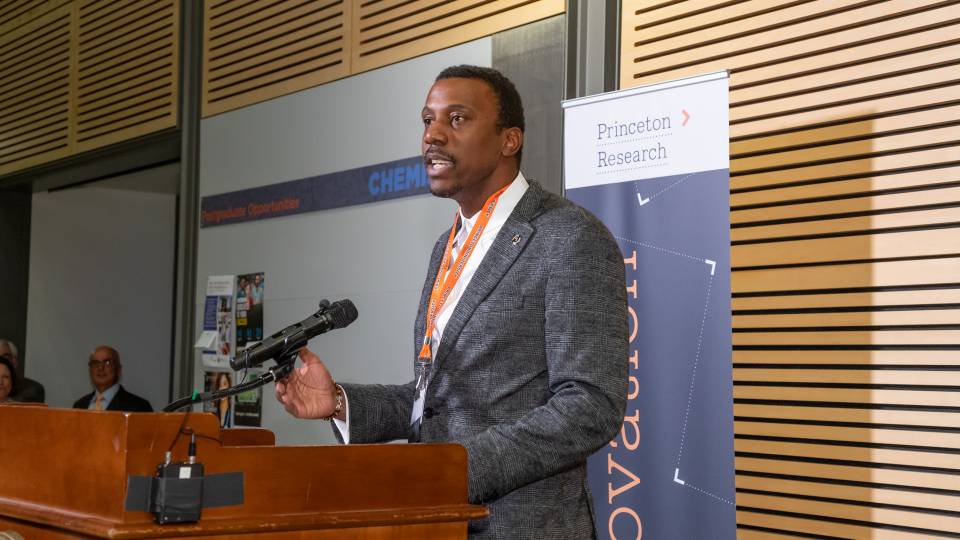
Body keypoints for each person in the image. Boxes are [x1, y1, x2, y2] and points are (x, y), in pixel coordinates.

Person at [275, 65, 628, 539]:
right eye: (427, 120)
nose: (433, 135)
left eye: (456, 119)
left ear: (509, 140)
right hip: (438, 523)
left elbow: (590, 403)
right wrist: (338, 402)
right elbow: (434, 400)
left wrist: (458, 468)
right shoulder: (447, 246)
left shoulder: (568, 237)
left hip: (523, 526)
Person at [73, 345, 153, 412]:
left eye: (107, 362)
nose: (100, 368)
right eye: (95, 363)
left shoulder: (139, 407)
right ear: (90, 370)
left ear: (118, 369)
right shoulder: (79, 406)